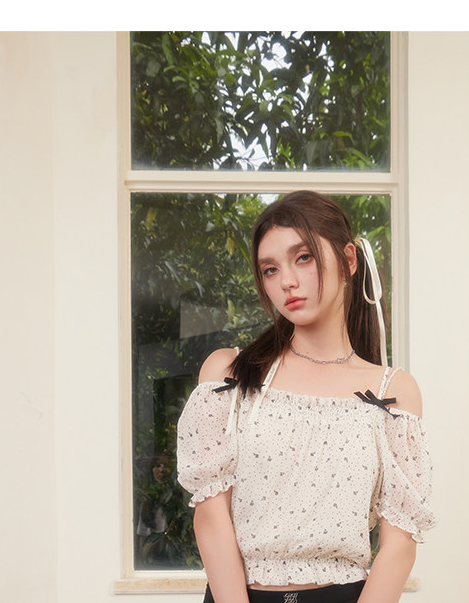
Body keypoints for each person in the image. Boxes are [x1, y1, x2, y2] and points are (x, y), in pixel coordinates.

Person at [177, 191, 434, 603]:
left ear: (348, 260)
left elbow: (399, 545)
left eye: (303, 258)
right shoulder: (230, 374)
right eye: (270, 269)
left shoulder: (392, 393)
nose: (287, 282)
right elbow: (210, 516)